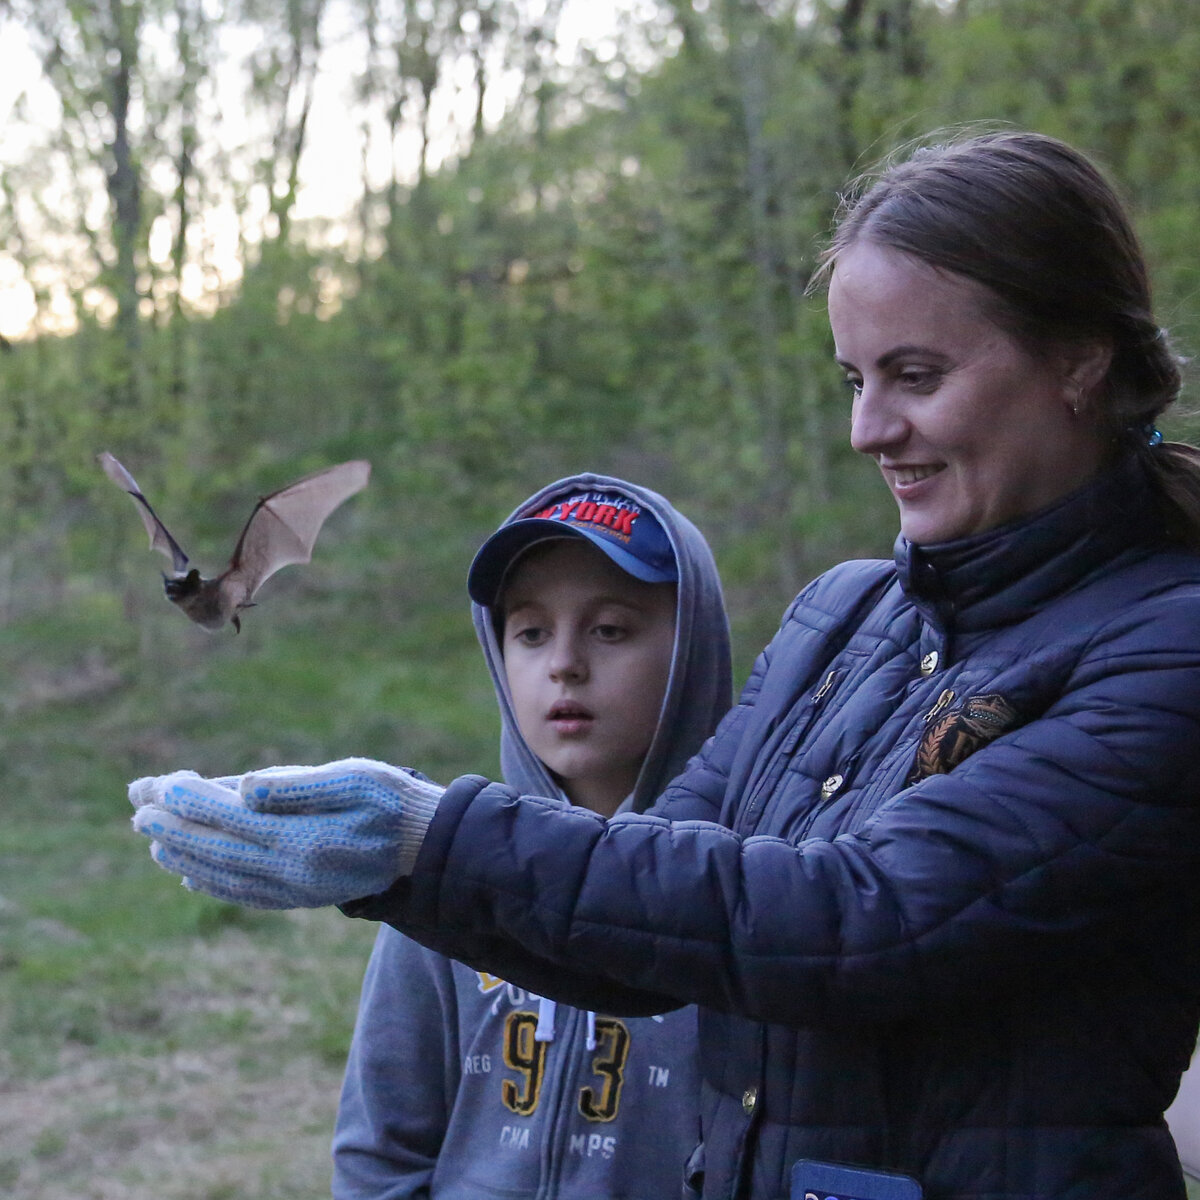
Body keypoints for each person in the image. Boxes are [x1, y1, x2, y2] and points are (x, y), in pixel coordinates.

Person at [130, 130, 1200, 1200]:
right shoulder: (843, 616)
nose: (869, 429)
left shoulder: (1166, 645)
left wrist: (429, 831)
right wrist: (397, 868)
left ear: (1078, 361)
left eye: (915, 375)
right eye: (854, 378)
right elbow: (639, 916)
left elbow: (860, 921)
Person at [331, 473, 733, 1198]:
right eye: (531, 632)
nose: (565, 664)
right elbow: (380, 1151)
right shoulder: (445, 871)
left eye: (610, 629)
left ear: (692, 646)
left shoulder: (740, 889)